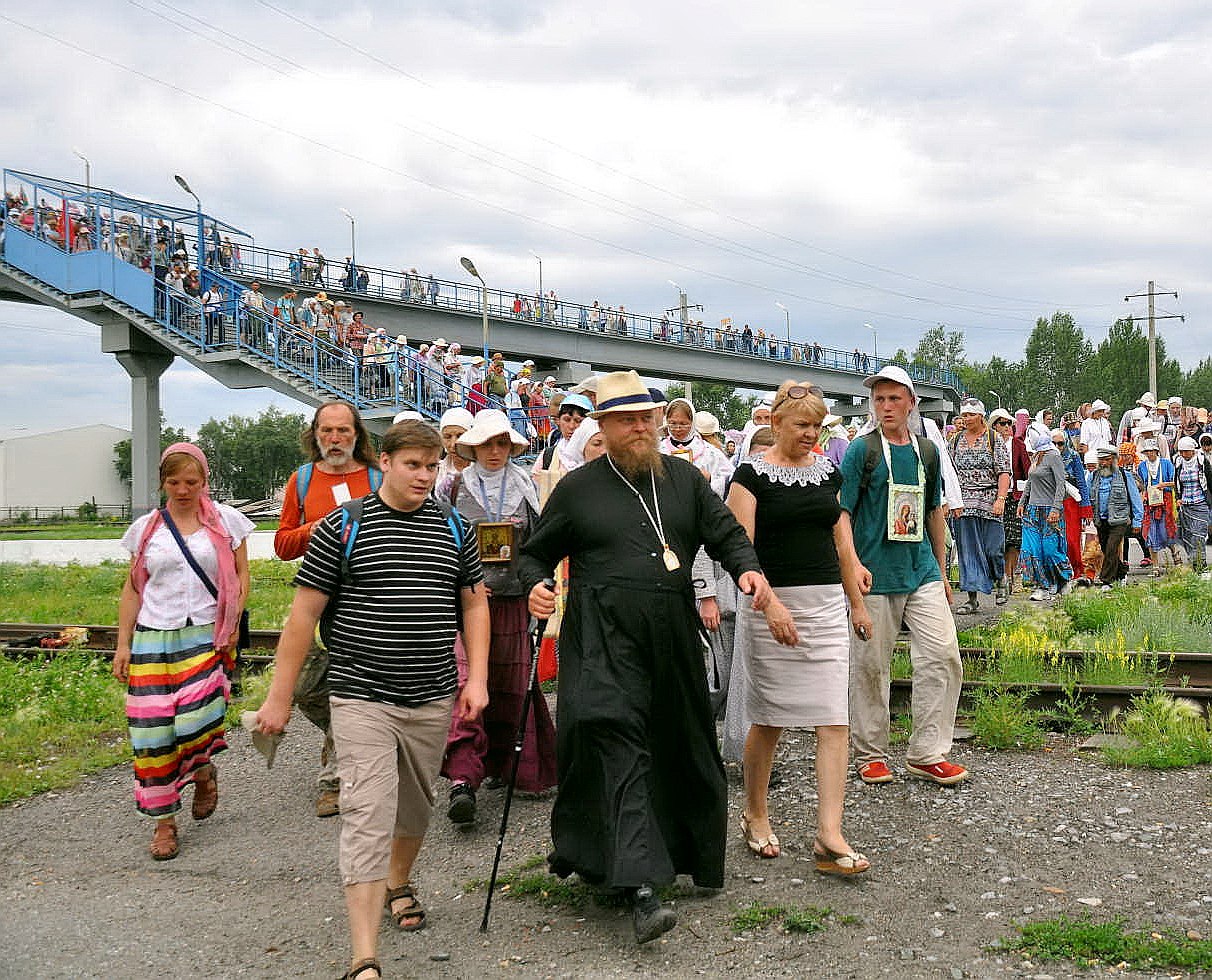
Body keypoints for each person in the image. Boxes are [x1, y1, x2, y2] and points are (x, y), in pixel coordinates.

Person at [517, 371, 773, 944]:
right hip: (603, 639)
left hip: (673, 637)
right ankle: (641, 888)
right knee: (618, 741)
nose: (639, 428)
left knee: (681, 744)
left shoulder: (683, 479)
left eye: (646, 419)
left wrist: (747, 568)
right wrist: (535, 585)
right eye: (626, 420)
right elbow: (533, 556)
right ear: (602, 428)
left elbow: (726, 532)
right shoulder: (579, 489)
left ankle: (660, 854)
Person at [256, 421, 489, 980]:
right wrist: (278, 700)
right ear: (384, 461)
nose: (425, 476)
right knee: (367, 814)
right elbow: (302, 619)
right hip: (360, 696)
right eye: (414, 465)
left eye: (434, 466)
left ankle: (399, 880)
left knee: (414, 807)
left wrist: (475, 679)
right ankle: (364, 956)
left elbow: (475, 607)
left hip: (432, 696)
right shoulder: (343, 527)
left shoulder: (456, 529)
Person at [726, 382, 869, 875]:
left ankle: (828, 833)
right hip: (772, 605)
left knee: (834, 716)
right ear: (776, 423)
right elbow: (739, 550)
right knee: (770, 717)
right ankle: (755, 812)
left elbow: (841, 539)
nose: (811, 434)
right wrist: (770, 606)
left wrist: (856, 599)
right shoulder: (749, 476)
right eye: (802, 425)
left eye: (817, 426)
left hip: (825, 604)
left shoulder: (827, 470)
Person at [114, 443, 252, 861]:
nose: (183, 489)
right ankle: (164, 824)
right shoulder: (147, 528)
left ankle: (204, 772)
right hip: (153, 638)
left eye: (191, 481)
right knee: (152, 735)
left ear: (204, 481)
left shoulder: (228, 523)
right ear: (163, 483)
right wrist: (123, 644)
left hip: (207, 636)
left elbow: (243, 576)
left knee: (195, 723)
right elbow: (133, 588)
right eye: (174, 482)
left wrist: (231, 626)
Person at [841, 366, 967, 787]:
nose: (886, 407)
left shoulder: (927, 451)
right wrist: (852, 567)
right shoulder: (862, 451)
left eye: (894, 399)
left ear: (911, 403)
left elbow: (934, 510)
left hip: (921, 571)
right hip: (874, 573)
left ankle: (927, 752)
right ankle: (871, 753)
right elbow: (841, 515)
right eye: (879, 400)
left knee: (943, 655)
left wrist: (943, 570)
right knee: (871, 667)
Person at [442, 410, 557, 825]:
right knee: (467, 681)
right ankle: (462, 777)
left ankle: (513, 769)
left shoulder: (526, 489)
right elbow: (441, 543)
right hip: (471, 603)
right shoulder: (453, 488)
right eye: (487, 443)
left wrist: (537, 586)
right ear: (473, 448)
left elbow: (540, 544)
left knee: (512, 684)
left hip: (514, 601)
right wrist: (461, 582)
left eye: (502, 443)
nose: (494, 451)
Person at [274, 401, 382, 819]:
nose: (335, 439)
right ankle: (344, 737)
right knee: (304, 688)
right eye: (327, 431)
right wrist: (315, 529)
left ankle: (335, 781)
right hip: (318, 596)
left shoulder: (376, 477)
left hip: (368, 595)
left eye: (343, 431)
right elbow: (283, 545)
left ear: (357, 435)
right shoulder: (301, 481)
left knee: (349, 682)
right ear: (315, 435)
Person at [948, 398, 1011, 613]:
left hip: (990, 502)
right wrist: (949, 500)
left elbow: (1004, 472)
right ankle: (972, 599)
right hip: (963, 504)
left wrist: (1001, 499)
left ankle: (1001, 578)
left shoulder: (994, 439)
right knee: (968, 553)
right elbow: (949, 473)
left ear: (981, 416)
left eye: (970, 415)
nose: (965, 419)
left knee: (993, 549)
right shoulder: (955, 441)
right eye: (963, 415)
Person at [1018, 435, 1072, 601]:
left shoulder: (1054, 456)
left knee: (1050, 550)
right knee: (1032, 549)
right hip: (1032, 510)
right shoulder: (1036, 456)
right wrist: (1022, 502)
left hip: (1050, 510)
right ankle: (1042, 586)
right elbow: (1030, 482)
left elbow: (1060, 484)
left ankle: (1063, 578)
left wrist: (1056, 508)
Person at [1087, 444, 1143, 589]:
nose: (1103, 463)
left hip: (1120, 519)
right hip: (1101, 519)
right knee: (1106, 550)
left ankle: (1106, 581)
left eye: (1106, 460)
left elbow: (1135, 498)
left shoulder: (1125, 475)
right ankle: (1121, 573)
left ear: (1114, 459)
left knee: (1112, 548)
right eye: (1101, 460)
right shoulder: (1093, 476)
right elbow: (1088, 496)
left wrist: (1137, 521)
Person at [990, 408, 1026, 593]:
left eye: (1009, 423)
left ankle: (1013, 576)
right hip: (992, 497)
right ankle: (999, 575)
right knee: (997, 540)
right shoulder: (989, 444)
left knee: (1014, 539)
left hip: (1014, 496)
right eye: (1002, 423)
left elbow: (1026, 471)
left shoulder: (1018, 444)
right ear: (994, 426)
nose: (1006, 427)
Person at [1136, 439, 1180, 568]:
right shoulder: (1142, 466)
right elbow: (1141, 484)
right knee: (1150, 531)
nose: (1149, 454)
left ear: (1156, 451)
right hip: (1149, 502)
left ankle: (1175, 555)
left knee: (1166, 528)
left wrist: (1163, 485)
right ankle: (1155, 565)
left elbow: (1175, 483)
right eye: (1147, 451)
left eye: (1151, 451)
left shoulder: (1166, 464)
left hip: (1165, 500)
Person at [1175, 436, 1212, 570]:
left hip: (1200, 503)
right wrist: (1178, 498)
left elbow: (1210, 481)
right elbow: (1177, 482)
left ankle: (1201, 564)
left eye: (1186, 451)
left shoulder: (1202, 462)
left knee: (1198, 535)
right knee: (1189, 535)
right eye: (1181, 451)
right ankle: (1194, 562)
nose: (1183, 454)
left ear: (1192, 450)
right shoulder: (1179, 463)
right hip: (1186, 504)